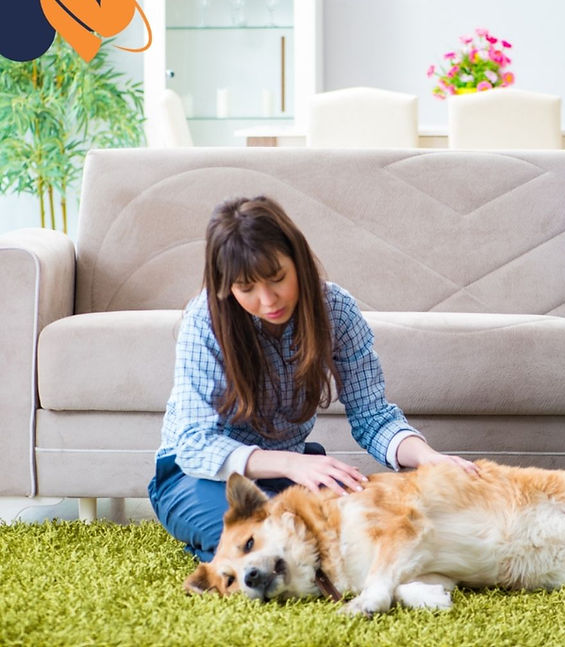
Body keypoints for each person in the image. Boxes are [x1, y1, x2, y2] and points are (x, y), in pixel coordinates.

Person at [148, 195, 478, 560]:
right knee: (274, 543)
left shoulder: (336, 309)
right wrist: (293, 463)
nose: (268, 299)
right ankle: (221, 545)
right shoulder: (205, 321)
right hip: (196, 478)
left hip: (289, 473)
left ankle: (221, 545)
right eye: (247, 289)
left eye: (277, 279)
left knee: (360, 531)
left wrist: (428, 457)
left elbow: (373, 416)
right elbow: (194, 446)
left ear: (298, 261)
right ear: (226, 287)